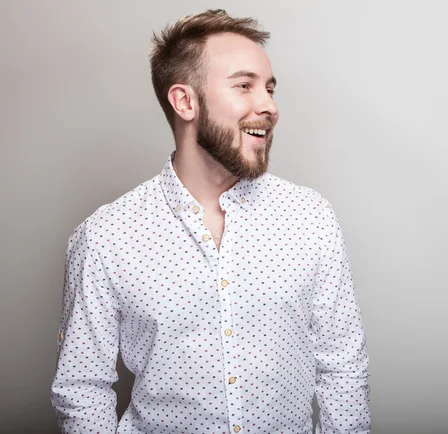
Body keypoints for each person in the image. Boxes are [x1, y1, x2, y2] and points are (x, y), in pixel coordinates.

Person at [50, 9, 370, 433]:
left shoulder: (311, 218)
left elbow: (342, 366)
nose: (270, 106)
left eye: (270, 89)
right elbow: (81, 387)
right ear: (185, 101)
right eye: (244, 86)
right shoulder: (106, 237)